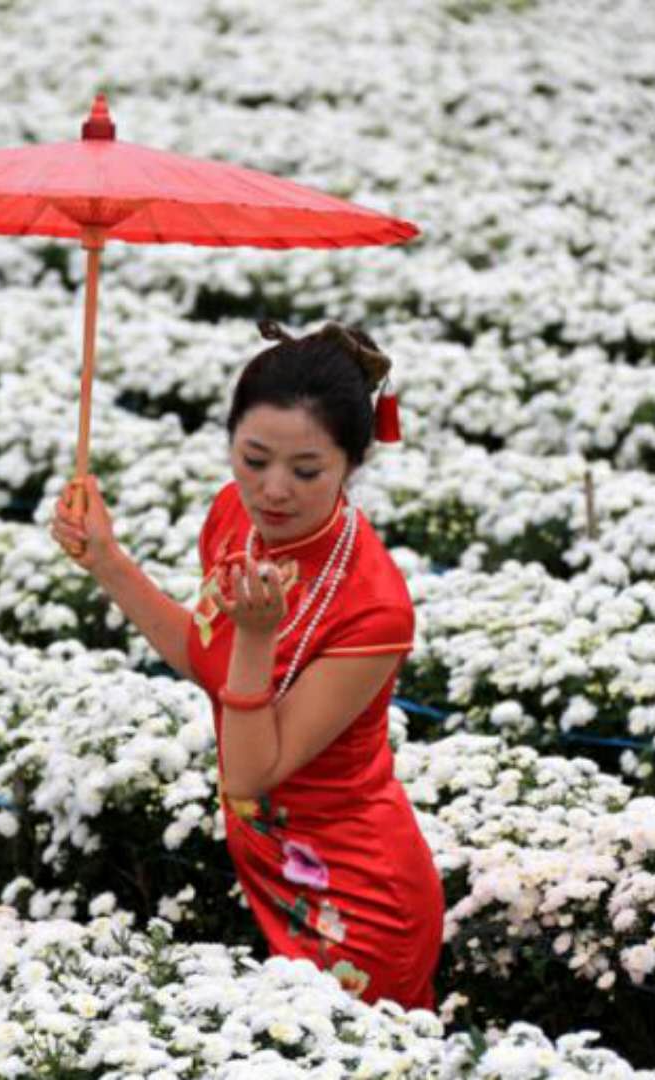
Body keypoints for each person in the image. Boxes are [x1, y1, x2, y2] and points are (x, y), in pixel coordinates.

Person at [48, 319, 444, 1011]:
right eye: (253, 458)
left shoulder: (373, 607)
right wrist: (107, 563)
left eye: (307, 470)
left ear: (352, 463)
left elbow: (251, 769)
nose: (274, 490)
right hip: (272, 861)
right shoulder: (235, 516)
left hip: (357, 894)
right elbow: (208, 658)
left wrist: (256, 639)